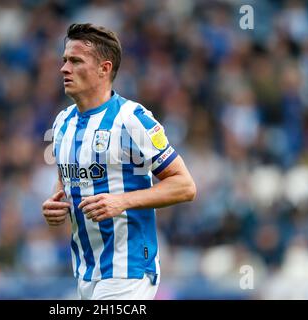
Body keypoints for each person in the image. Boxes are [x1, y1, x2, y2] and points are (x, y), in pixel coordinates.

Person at [42, 23, 196, 300]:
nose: (64, 69)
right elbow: (67, 180)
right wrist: (56, 204)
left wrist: (121, 201)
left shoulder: (131, 119)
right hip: (86, 270)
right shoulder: (62, 122)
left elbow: (185, 186)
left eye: (76, 61)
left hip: (129, 268)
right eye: (64, 60)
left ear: (104, 68)